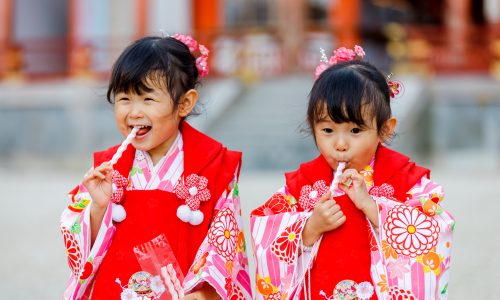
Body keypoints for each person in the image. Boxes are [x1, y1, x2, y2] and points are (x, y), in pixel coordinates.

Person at [250, 46, 454, 299]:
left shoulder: (405, 179)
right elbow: (266, 232)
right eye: (327, 130)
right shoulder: (303, 183)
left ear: (385, 129)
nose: (340, 144)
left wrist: (373, 208)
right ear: (312, 126)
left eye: (355, 131)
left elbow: (435, 231)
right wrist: (308, 228)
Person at [60, 35, 252, 300]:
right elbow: (76, 240)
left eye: (147, 100)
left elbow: (225, 240)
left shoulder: (214, 164)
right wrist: (99, 208)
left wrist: (204, 292)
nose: (134, 112)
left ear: (184, 103)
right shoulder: (108, 168)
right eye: (124, 99)